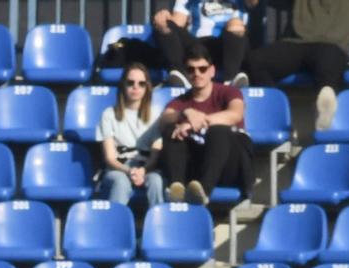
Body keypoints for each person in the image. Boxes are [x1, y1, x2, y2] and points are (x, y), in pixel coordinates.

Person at [244, 0, 349, 132]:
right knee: (256, 60)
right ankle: (276, 113)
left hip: (331, 45)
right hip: (295, 43)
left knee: (328, 63)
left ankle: (325, 106)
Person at [154, 53, 248, 207]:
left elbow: (235, 114)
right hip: (198, 167)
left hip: (229, 166)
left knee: (219, 131)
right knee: (172, 130)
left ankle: (203, 192)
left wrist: (195, 123)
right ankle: (176, 188)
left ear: (212, 71)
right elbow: (163, 120)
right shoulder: (182, 101)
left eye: (202, 69)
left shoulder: (229, 92)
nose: (197, 73)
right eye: (191, 69)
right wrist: (185, 113)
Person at [98, 63, 164, 208]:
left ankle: (160, 225)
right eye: (130, 83)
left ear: (147, 88)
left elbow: (155, 153)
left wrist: (143, 170)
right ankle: (115, 225)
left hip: (146, 166)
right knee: (121, 182)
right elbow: (110, 158)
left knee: (156, 181)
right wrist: (129, 170)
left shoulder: (156, 114)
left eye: (141, 84)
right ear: (123, 85)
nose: (136, 87)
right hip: (119, 168)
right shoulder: (109, 114)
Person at [153, 0, 249, 87]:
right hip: (197, 44)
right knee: (164, 23)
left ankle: (230, 80)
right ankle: (181, 75)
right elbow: (177, 25)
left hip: (227, 47)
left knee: (235, 24)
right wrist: (165, 19)